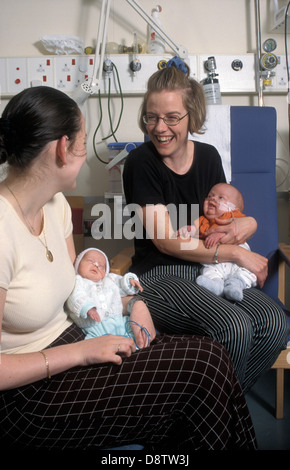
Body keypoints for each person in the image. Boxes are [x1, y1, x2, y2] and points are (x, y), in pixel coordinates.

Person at [0, 86, 257, 451]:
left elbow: (80, 287)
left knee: (209, 358)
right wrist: (80, 354)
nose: (87, 154)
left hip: (82, 334)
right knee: (203, 369)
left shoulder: (53, 206)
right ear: (62, 148)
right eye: (84, 142)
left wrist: (132, 303)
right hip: (29, 396)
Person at [123, 57, 288, 393]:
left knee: (274, 323)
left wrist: (251, 223)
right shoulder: (141, 163)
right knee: (235, 326)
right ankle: (215, 421)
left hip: (206, 270)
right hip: (159, 274)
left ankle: (217, 411)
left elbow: (226, 217)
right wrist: (238, 255)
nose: (159, 127)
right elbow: (167, 242)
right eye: (151, 117)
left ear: (192, 117)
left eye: (171, 117)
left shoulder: (209, 157)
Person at [177, 183, 257, 301]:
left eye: (221, 198)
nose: (212, 199)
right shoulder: (203, 219)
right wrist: (188, 229)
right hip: (215, 259)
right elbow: (195, 228)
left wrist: (220, 234)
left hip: (236, 259)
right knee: (207, 269)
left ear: (233, 207)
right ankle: (216, 285)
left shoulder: (234, 215)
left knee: (246, 271)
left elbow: (236, 229)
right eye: (209, 196)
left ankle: (235, 285)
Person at [66, 247, 154, 348]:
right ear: (78, 264)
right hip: (94, 327)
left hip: (118, 321)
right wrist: (87, 308)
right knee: (91, 346)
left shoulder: (109, 280)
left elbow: (121, 283)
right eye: (90, 261)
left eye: (101, 266)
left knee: (135, 330)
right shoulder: (78, 282)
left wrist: (130, 281)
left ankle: (140, 346)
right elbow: (75, 297)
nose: (96, 265)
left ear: (105, 272)